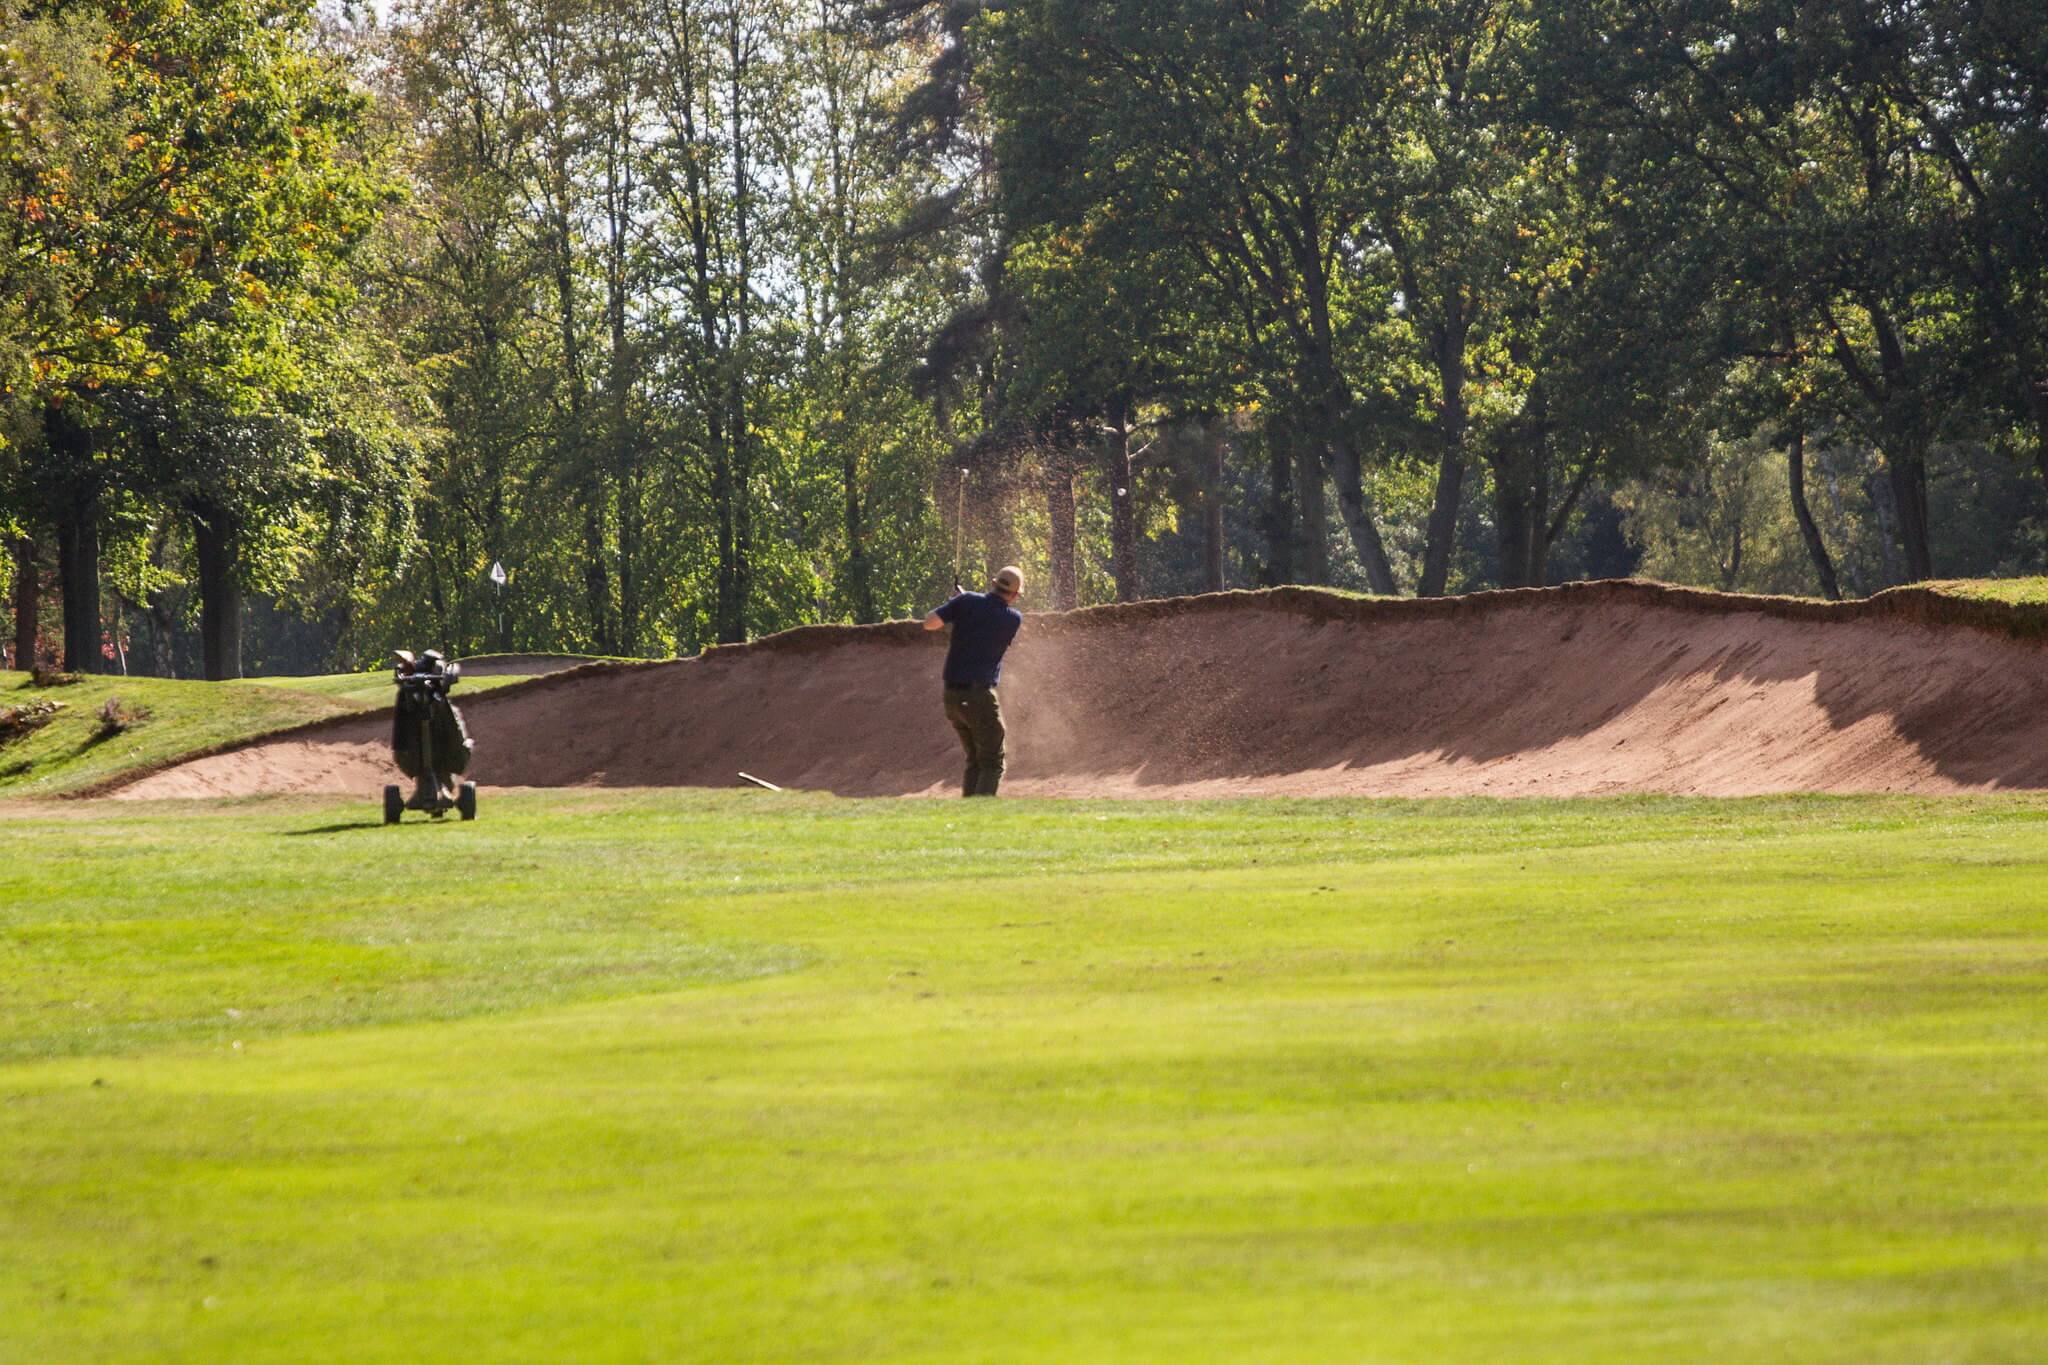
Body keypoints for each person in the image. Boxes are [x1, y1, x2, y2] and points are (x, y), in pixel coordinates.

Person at [923, 565, 1024, 797]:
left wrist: (956, 604)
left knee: (975, 759)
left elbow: (930, 623)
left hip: (952, 696)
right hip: (980, 696)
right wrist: (964, 603)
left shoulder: (966, 601)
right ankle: (980, 812)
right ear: (1015, 595)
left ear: (993, 583)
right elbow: (986, 618)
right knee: (992, 762)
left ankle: (969, 811)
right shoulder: (1013, 619)